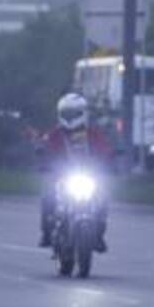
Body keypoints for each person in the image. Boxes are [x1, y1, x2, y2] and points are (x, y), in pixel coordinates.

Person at [38, 93, 112, 252]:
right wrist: (44, 158)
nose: (70, 118)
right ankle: (46, 232)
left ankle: (98, 234)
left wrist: (110, 158)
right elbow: (46, 149)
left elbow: (104, 149)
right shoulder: (55, 134)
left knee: (103, 197)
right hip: (62, 177)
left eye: (75, 114)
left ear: (84, 113)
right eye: (67, 114)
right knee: (48, 197)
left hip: (89, 175)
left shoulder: (93, 134)